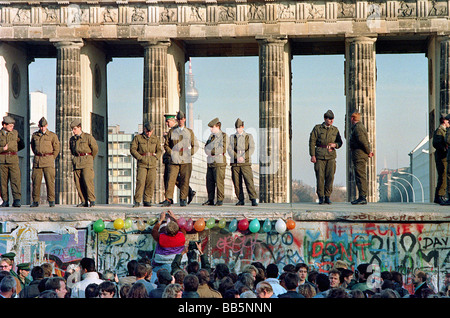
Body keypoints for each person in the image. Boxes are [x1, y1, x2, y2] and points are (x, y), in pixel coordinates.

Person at [161, 111, 198, 207]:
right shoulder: (172, 131)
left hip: (185, 158)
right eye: (179, 119)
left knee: (185, 179)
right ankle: (168, 199)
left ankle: (183, 199)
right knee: (171, 179)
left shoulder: (189, 132)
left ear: (184, 119)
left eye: (182, 119)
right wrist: (172, 153)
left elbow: (195, 145)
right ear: (177, 120)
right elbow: (166, 145)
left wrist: (189, 154)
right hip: (174, 157)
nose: (181, 121)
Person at [308, 110, 343, 204]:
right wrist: (312, 155)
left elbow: (340, 142)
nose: (331, 121)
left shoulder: (335, 130)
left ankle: (327, 196)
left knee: (330, 177)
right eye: (329, 118)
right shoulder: (317, 128)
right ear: (325, 119)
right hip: (319, 155)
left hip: (331, 156)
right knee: (320, 177)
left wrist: (335, 145)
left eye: (332, 119)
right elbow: (312, 142)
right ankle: (321, 197)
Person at [130, 122, 162, 207]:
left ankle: (147, 200)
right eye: (147, 131)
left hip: (152, 163)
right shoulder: (138, 138)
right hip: (142, 163)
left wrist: (156, 157)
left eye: (150, 131)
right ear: (144, 129)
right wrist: (140, 158)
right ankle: (137, 200)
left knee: (150, 182)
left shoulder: (155, 139)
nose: (149, 133)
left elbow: (159, 150)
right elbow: (133, 149)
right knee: (140, 181)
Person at [30, 117, 60, 207]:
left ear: (47, 125)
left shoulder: (52, 135)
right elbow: (33, 146)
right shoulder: (35, 135)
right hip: (38, 161)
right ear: (39, 126)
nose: (43, 128)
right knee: (36, 181)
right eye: (41, 126)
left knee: (50, 182)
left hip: (48, 160)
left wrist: (51, 158)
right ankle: (35, 201)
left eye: (44, 126)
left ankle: (51, 200)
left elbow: (56, 149)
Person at [228, 118, 258, 206]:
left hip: (245, 163)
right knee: (237, 182)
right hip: (235, 163)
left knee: (249, 181)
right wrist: (236, 157)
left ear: (243, 127)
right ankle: (240, 199)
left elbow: (252, 148)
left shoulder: (248, 136)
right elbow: (229, 149)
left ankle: (253, 199)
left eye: (239, 127)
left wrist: (243, 157)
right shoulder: (232, 137)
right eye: (236, 128)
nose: (238, 129)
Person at [69, 119, 98, 207]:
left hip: (86, 160)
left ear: (79, 128)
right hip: (77, 161)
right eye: (72, 129)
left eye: (74, 129)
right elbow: (72, 150)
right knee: (78, 183)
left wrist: (90, 158)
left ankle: (91, 200)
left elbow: (95, 149)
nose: (73, 131)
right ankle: (84, 201)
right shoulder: (72, 139)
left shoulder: (88, 137)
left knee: (87, 180)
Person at [151, 211, 186, 281]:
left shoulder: (161, 238)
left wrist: (160, 220)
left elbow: (154, 231)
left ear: (166, 231)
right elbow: (182, 228)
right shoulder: (182, 236)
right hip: (179, 260)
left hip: (163, 261)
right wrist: (174, 218)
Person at [349, 112, 374, 205]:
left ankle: (362, 197)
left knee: (360, 176)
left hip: (359, 154)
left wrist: (368, 152)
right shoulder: (359, 127)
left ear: (352, 118)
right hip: (359, 154)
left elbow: (362, 141)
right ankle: (361, 196)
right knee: (360, 175)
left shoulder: (358, 128)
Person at [0, 116, 25, 207]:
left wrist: (13, 151)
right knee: (3, 182)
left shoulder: (15, 133)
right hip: (2, 161)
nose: (12, 127)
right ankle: (5, 200)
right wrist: (3, 149)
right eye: (10, 125)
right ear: (4, 125)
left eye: (13, 125)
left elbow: (22, 144)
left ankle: (17, 200)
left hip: (13, 160)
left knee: (15, 180)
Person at [203, 118, 227, 206]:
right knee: (209, 181)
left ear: (218, 126)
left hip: (219, 162)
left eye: (212, 127)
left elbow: (222, 148)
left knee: (219, 181)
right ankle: (210, 199)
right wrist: (208, 151)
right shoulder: (211, 137)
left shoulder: (223, 136)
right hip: (210, 162)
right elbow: (205, 147)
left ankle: (220, 199)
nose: (211, 129)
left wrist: (211, 151)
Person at [432, 114, 450, 204]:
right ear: (444, 121)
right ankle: (440, 196)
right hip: (441, 156)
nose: (448, 123)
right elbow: (436, 143)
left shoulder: (443, 130)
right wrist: (445, 148)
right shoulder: (440, 131)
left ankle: (439, 196)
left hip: (442, 156)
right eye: (447, 121)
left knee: (443, 176)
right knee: (443, 176)